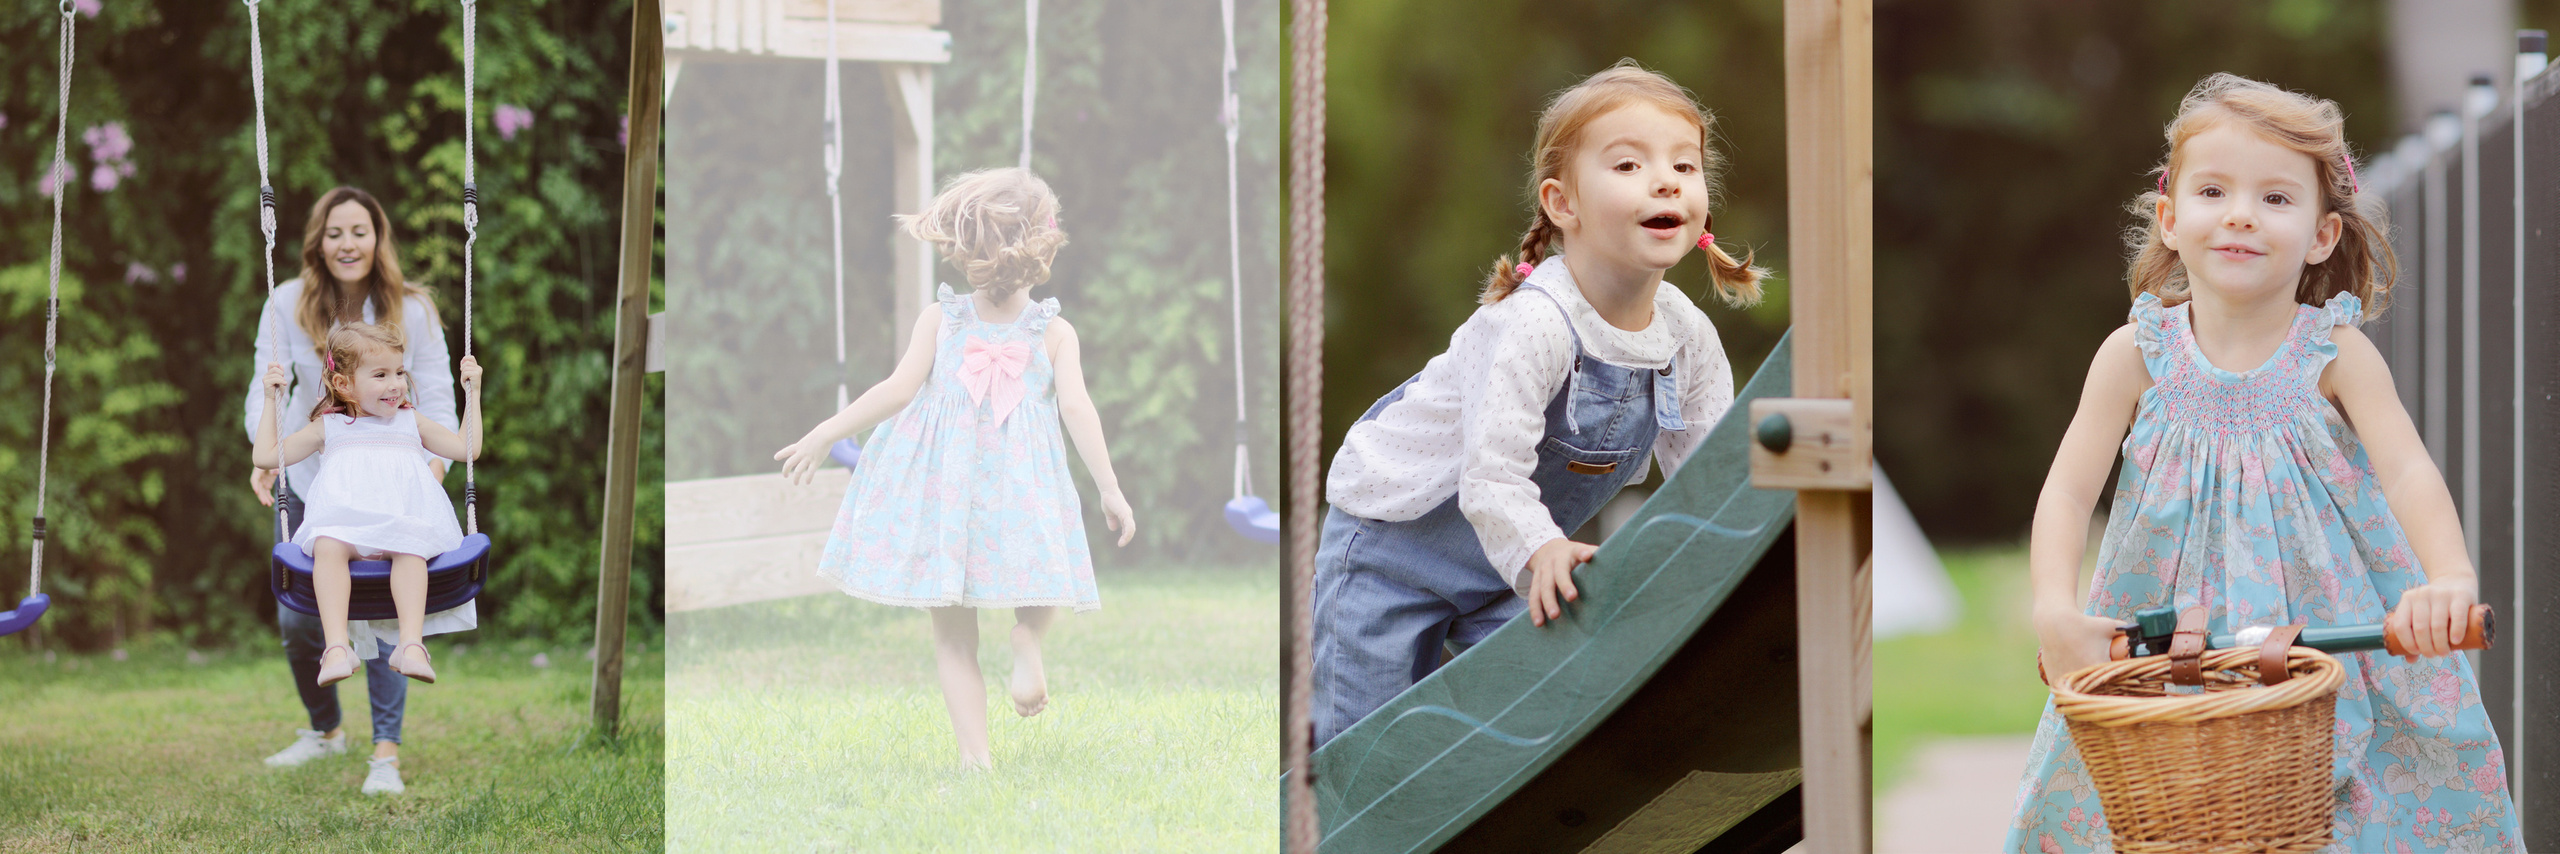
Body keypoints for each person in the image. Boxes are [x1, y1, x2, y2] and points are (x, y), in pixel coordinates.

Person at [2008, 73, 2521, 852]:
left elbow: (2408, 472)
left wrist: (2447, 578)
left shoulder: (2336, 354)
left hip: (2329, 645)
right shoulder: (2134, 355)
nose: (2242, 213)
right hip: (2171, 657)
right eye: (2214, 191)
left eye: (2276, 198)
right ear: (2171, 220)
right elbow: (2069, 493)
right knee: (2162, 818)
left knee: (2353, 815)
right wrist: (2054, 609)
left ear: (2322, 235)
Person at [1308, 60, 1765, 747]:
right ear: (1562, 204)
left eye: (1685, 165)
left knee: (1555, 719)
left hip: (1509, 568)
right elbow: (1491, 477)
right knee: (1364, 752)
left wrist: (1743, 555)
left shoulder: (1685, 336)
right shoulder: (1534, 323)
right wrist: (1544, 546)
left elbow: (1711, 480)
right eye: (1628, 165)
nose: (1667, 180)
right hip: (1394, 548)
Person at [775, 167, 1136, 771]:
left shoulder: (941, 320)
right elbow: (1077, 408)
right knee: (1043, 577)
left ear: (964, 249)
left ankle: (976, 760)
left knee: (953, 638)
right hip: (1023, 486)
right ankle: (1028, 635)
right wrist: (1110, 488)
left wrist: (825, 432)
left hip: (949, 492)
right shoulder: (1054, 332)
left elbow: (896, 390)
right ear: (1043, 249)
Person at [241, 187, 459, 796]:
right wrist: (267, 456)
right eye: (334, 232)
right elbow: (266, 387)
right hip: (315, 480)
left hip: (395, 481)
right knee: (297, 619)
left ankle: (385, 753)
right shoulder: (287, 302)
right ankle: (325, 730)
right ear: (318, 242)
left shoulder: (412, 309)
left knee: (386, 610)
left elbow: (438, 395)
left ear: (377, 238)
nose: (347, 243)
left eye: (359, 231)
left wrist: (430, 472)